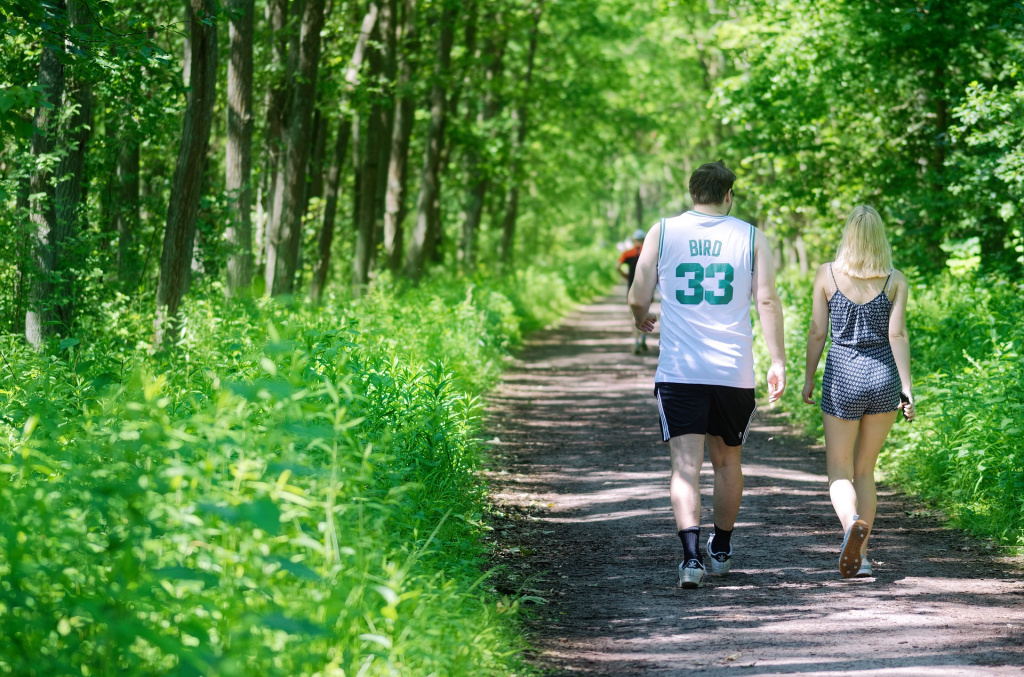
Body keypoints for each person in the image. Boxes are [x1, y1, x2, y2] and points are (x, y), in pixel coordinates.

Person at [628, 161, 787, 589]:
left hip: (680, 370)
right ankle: (721, 547)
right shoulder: (752, 236)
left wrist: (640, 318)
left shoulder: (663, 231)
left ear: (691, 192)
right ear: (729, 195)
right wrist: (778, 360)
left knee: (685, 466)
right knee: (727, 462)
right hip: (732, 371)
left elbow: (637, 295)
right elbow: (767, 301)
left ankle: (691, 559)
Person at [801, 205, 915, 579]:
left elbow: (818, 332)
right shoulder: (895, 280)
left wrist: (807, 378)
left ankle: (850, 522)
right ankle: (862, 559)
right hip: (883, 377)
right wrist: (907, 389)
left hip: (843, 375)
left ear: (848, 236)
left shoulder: (826, 275)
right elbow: (897, 335)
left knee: (839, 470)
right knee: (866, 469)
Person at [619, 230, 649, 354]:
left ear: (634, 240)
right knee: (646, 314)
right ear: (644, 240)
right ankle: (643, 338)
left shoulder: (627, 253)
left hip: (631, 288)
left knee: (633, 316)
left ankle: (635, 341)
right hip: (647, 288)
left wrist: (625, 275)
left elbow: (617, 266)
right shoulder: (648, 253)